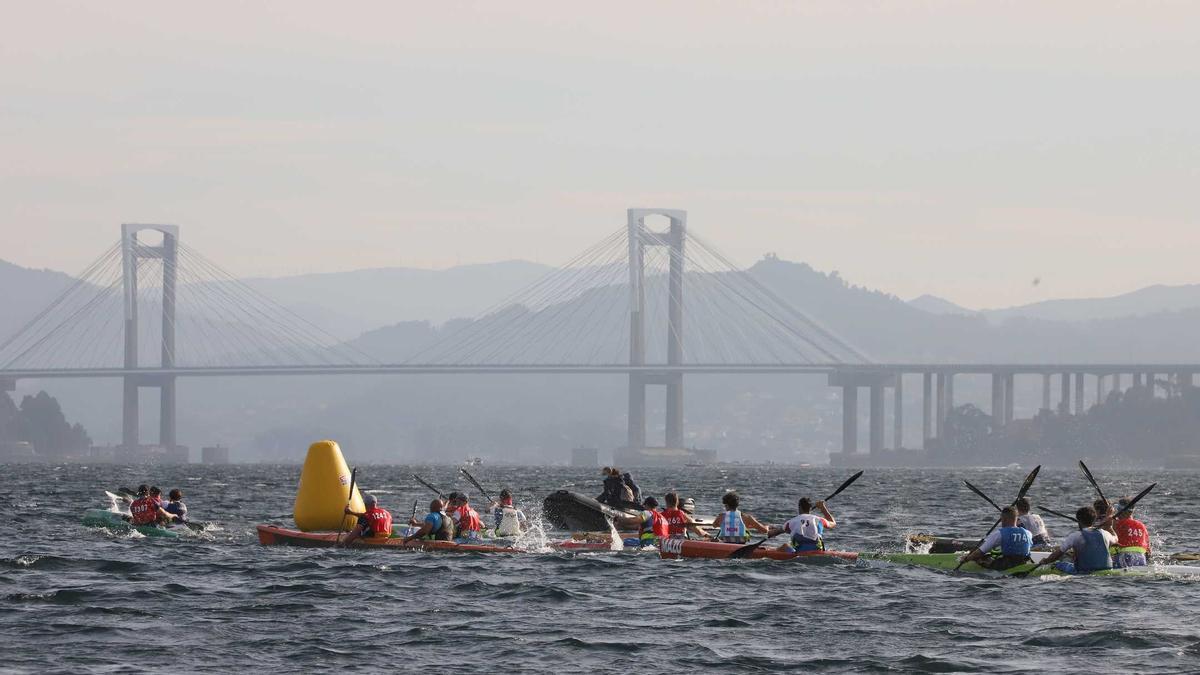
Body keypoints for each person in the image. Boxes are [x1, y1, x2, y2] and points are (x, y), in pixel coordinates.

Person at [1038, 506, 1119, 574]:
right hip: (1106, 569)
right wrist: (1110, 527)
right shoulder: (1105, 534)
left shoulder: (1075, 536)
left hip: (1083, 571)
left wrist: (1046, 561)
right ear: (1094, 520)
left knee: (1057, 564)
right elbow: (1116, 539)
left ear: (1078, 520)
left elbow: (1058, 554)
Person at [957, 506, 1033, 570]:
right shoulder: (1028, 533)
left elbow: (980, 552)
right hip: (1024, 563)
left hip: (1006, 566)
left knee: (979, 557)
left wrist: (967, 558)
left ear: (1004, 519)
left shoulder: (1000, 533)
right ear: (1016, 519)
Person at [768, 497, 835, 552]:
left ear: (799, 507)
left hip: (800, 552)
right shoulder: (819, 520)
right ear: (810, 508)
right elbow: (833, 523)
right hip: (818, 550)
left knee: (785, 546)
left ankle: (772, 551)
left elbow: (774, 533)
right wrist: (822, 508)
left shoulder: (791, 522)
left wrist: (770, 531)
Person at [1111, 496, 1151, 568]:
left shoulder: (1116, 523)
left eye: (1118, 509)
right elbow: (1148, 550)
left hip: (1124, 557)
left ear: (1120, 510)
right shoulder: (1142, 525)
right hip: (1141, 558)